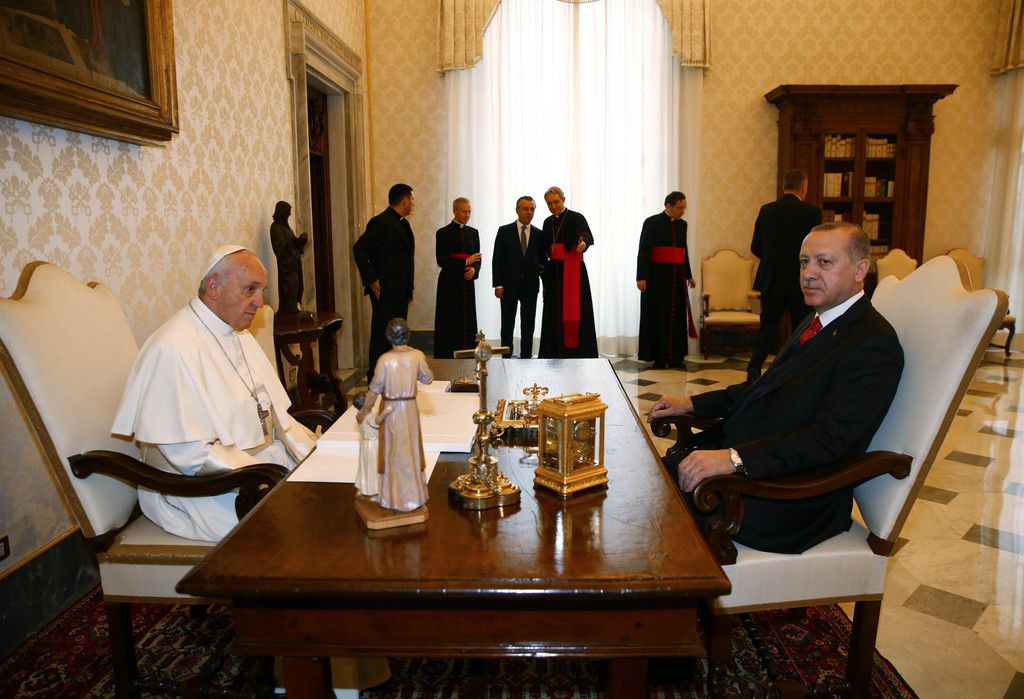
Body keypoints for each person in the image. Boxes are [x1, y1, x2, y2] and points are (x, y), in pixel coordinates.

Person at [648, 222, 904, 554]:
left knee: (648, 521)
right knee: (639, 489)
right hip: (750, 466)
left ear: (860, 270)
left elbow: (827, 442)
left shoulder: (873, 343)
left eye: (824, 262)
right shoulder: (817, 320)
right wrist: (692, 404)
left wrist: (734, 459)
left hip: (788, 498)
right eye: (804, 262)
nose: (808, 273)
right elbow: (763, 388)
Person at [111, 246, 316, 542]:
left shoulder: (237, 334)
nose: (260, 303)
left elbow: (272, 416)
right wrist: (265, 473)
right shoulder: (173, 349)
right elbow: (190, 456)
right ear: (213, 286)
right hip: (204, 490)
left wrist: (310, 452)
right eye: (250, 290)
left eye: (262, 290)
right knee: (306, 527)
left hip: (257, 469)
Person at [747, 169, 822, 382]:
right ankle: (797, 371)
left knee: (768, 326)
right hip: (801, 279)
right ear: (803, 188)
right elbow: (817, 248)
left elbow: (755, 246)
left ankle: (753, 369)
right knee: (802, 326)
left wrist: (773, 261)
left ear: (784, 187)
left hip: (771, 279)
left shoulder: (767, 210)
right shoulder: (812, 212)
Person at [356, 318, 434, 512]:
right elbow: (428, 378)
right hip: (410, 408)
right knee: (411, 451)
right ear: (408, 335)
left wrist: (364, 411)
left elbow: (373, 391)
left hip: (391, 409)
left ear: (389, 336)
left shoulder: (385, 360)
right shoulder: (417, 355)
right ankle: (414, 496)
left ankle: (394, 497)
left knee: (394, 453)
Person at [353, 183, 416, 382]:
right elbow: (359, 249)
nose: (413, 204)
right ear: (404, 200)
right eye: (411, 200)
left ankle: (394, 374)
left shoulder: (403, 224)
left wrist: (409, 288)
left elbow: (406, 259)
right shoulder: (380, 222)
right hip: (385, 291)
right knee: (382, 335)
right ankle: (376, 376)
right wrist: (372, 280)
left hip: (401, 291)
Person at [636, 191, 697, 368]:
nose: (682, 212)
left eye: (684, 208)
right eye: (679, 208)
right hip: (656, 278)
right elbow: (644, 251)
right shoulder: (651, 222)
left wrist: (688, 275)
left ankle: (677, 357)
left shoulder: (683, 225)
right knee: (659, 316)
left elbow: (683, 251)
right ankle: (660, 358)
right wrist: (641, 276)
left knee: (677, 317)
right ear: (668, 206)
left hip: (677, 278)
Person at [536, 186, 598, 358]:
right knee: (553, 313)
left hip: (574, 271)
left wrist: (583, 244)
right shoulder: (547, 222)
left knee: (578, 311)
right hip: (554, 274)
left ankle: (578, 354)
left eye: (556, 202)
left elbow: (586, 235)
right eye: (549, 203)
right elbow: (544, 247)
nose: (553, 206)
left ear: (563, 200)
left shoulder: (576, 217)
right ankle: (553, 353)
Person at [492, 195, 543, 358]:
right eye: (525, 208)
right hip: (508, 286)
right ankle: (506, 356)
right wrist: (498, 284)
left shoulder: (539, 234)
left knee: (528, 325)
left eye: (532, 209)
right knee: (507, 324)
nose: (529, 212)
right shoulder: (504, 231)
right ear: (517, 210)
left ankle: (526, 356)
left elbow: (543, 262)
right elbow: (497, 259)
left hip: (530, 287)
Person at [433, 197, 481, 358]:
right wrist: (466, 262)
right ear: (454, 211)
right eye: (463, 211)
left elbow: (477, 259)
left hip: (467, 283)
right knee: (449, 319)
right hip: (449, 283)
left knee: (468, 319)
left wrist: (474, 270)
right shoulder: (443, 233)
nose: (467, 215)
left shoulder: (473, 233)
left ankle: (468, 353)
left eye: (469, 212)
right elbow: (441, 260)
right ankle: (447, 354)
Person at [269, 200, 308, 315]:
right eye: (287, 214)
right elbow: (280, 248)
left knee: (295, 287)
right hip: (286, 267)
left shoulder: (287, 229)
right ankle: (288, 310)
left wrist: (301, 240)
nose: (288, 216)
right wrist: (294, 245)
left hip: (293, 265)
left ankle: (293, 308)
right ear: (282, 213)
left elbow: (293, 243)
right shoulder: (275, 227)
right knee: (288, 289)